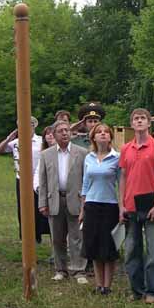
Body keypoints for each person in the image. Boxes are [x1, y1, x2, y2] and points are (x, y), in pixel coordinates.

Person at [118, 108, 154, 303]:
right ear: (131, 124)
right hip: (131, 205)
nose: (139, 121)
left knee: (153, 250)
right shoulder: (125, 149)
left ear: (149, 123)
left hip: (151, 204)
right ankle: (137, 290)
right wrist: (121, 205)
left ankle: (153, 291)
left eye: (143, 118)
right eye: (136, 118)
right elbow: (122, 178)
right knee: (132, 250)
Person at [38, 120, 88, 283]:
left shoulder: (82, 153)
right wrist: (42, 202)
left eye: (67, 130)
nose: (65, 133)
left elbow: (86, 179)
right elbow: (43, 180)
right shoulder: (46, 154)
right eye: (61, 131)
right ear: (54, 135)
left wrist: (85, 202)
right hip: (54, 199)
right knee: (57, 238)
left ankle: (78, 270)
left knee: (77, 237)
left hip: (76, 199)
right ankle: (60, 269)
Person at [79, 123, 120, 295]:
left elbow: (122, 184)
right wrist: (82, 209)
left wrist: (122, 208)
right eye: (99, 132)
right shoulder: (89, 158)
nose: (103, 134)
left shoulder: (117, 157)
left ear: (110, 137)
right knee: (94, 246)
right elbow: (85, 184)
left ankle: (107, 286)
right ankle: (98, 284)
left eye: (106, 132)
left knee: (108, 246)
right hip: (91, 205)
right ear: (93, 137)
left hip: (109, 205)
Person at [0, 116, 45, 242]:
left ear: (33, 127)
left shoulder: (40, 140)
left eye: (29, 126)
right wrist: (9, 138)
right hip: (21, 179)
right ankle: (24, 236)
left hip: (37, 178)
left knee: (37, 207)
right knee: (22, 208)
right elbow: (0, 149)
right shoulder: (16, 142)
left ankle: (37, 235)